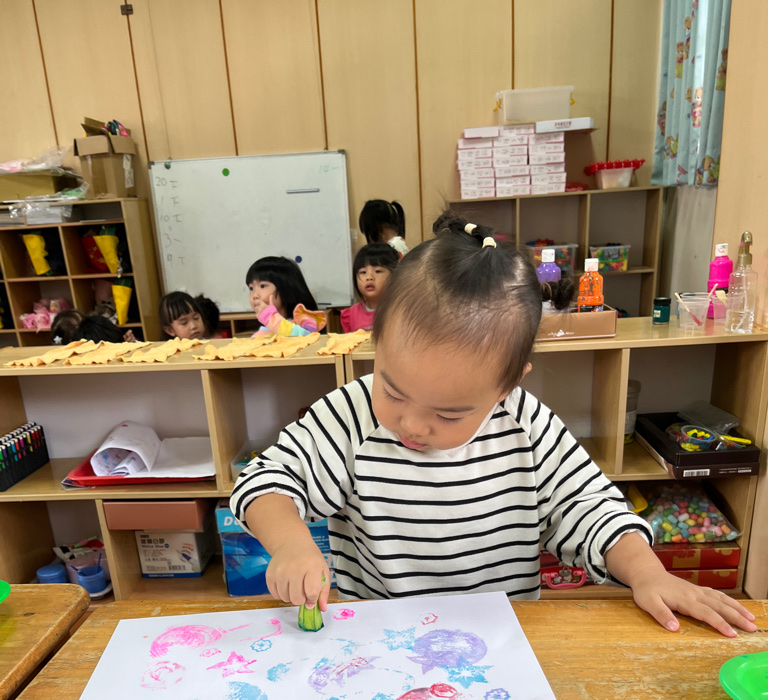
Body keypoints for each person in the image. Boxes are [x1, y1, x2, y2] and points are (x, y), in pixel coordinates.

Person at [230, 217, 756, 640]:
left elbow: (590, 508)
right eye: (393, 389)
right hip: (376, 642)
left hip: (501, 644)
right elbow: (266, 481)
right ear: (376, 345)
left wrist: (647, 573)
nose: (412, 423)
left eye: (449, 414)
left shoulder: (525, 425)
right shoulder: (351, 414)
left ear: (507, 385)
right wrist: (292, 543)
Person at [246, 256, 325, 336]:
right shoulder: (258, 335)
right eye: (251, 288)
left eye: (262, 286)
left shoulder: (304, 318)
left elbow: (309, 338)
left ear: (286, 288)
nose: (255, 295)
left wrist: (271, 319)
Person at [340, 243, 399, 333]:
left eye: (378, 271)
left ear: (394, 276)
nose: (369, 277)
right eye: (363, 272)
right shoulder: (351, 314)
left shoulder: (400, 311)